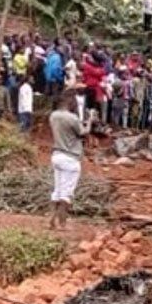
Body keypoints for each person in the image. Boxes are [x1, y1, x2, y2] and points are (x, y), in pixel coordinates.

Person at [47, 90, 92, 229]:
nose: (75, 104)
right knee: (67, 193)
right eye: (73, 102)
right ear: (68, 102)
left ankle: (52, 220)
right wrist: (89, 120)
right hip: (70, 157)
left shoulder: (53, 116)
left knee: (58, 189)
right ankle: (63, 224)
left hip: (57, 155)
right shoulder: (72, 118)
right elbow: (84, 133)